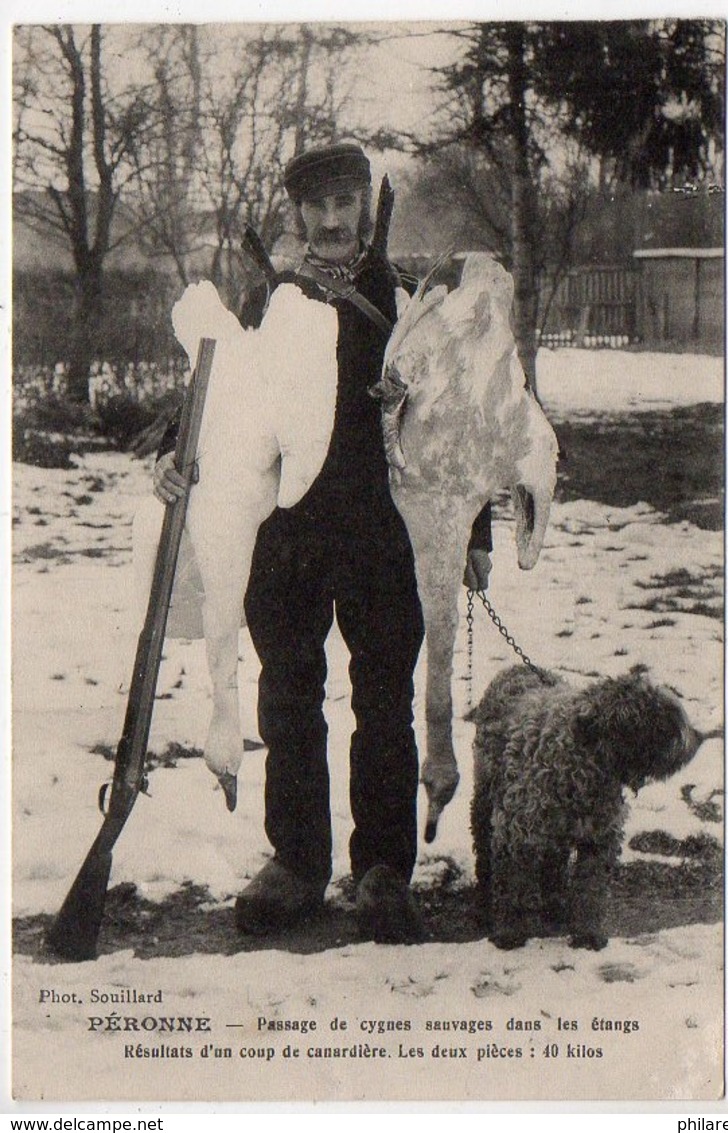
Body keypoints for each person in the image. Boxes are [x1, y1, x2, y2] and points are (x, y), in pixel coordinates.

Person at [153, 141, 493, 943]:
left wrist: (471, 533)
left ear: (367, 208)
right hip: (288, 538)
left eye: (347, 202)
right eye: (319, 205)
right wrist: (174, 461)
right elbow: (211, 399)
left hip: (383, 535)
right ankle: (298, 863)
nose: (334, 219)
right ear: (298, 213)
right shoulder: (263, 301)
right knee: (288, 697)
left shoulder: (411, 303)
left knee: (383, 703)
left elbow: (458, 430)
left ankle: (382, 872)